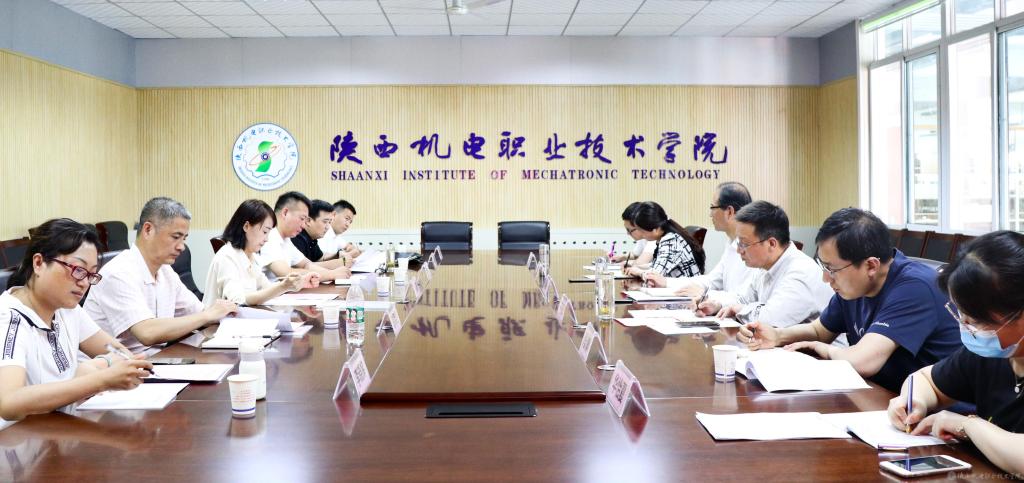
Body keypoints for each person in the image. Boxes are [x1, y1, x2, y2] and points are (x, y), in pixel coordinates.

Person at [738, 208, 961, 392]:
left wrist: (823, 350)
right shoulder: (855, 286)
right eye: (823, 266)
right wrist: (777, 336)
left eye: (832, 269)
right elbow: (819, 331)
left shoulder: (915, 287)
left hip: (933, 414)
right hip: (880, 395)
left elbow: (862, 362)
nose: (826, 278)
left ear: (871, 266)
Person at [886, 231, 1023, 475]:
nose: (967, 328)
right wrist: (914, 401)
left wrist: (967, 425)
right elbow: (926, 380)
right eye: (961, 315)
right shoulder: (990, 355)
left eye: (977, 320)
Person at [0, 219, 153, 421]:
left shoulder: (67, 308)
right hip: (19, 436)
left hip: (61, 427)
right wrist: (98, 380)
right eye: (78, 270)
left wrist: (96, 365)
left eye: (91, 274)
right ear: (38, 263)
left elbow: (120, 353)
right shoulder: (8, 318)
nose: (84, 283)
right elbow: (9, 402)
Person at [85, 197, 237, 355]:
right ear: (148, 230)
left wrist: (221, 312)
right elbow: (147, 333)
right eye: (176, 237)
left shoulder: (166, 271)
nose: (181, 247)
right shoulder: (119, 273)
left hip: (154, 359)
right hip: (112, 365)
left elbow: (198, 313)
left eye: (184, 239)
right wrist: (207, 315)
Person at [697, 201, 832, 327]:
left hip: (815, 346)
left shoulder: (800, 272)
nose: (739, 250)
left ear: (771, 244)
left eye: (744, 244)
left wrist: (741, 309)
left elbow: (770, 321)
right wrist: (718, 305)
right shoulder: (766, 266)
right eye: (738, 243)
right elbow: (743, 298)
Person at [646, 182, 757, 300]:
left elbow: (745, 299)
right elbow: (712, 280)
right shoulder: (732, 242)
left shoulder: (753, 246)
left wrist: (705, 294)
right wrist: (666, 282)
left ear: (729, 212)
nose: (710, 214)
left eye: (712, 207)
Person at [203, 199, 315, 307]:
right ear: (246, 226)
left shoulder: (250, 256)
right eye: (265, 231)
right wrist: (282, 286)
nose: (266, 239)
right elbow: (238, 300)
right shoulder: (227, 256)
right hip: (218, 320)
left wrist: (297, 283)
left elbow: (266, 287)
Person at [257, 192, 352, 282]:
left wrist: (333, 273)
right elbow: (286, 274)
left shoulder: (286, 239)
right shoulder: (269, 236)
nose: (303, 225)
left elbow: (306, 264)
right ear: (285, 213)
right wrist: (330, 274)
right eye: (302, 218)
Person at [623, 201, 705, 280]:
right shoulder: (667, 237)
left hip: (685, 288)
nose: (641, 234)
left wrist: (638, 272)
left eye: (641, 230)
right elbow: (659, 265)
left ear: (655, 229)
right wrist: (638, 268)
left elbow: (654, 277)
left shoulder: (670, 242)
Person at [290, 199, 336, 264]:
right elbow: (306, 267)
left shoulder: (311, 238)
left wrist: (338, 255)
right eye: (325, 222)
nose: (328, 227)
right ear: (308, 221)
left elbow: (319, 258)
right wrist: (342, 261)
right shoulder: (297, 238)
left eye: (329, 222)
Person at [610, 202, 654, 267]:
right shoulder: (643, 237)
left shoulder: (653, 237)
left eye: (629, 230)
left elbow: (641, 262)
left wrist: (628, 263)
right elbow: (636, 254)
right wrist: (621, 257)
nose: (628, 233)